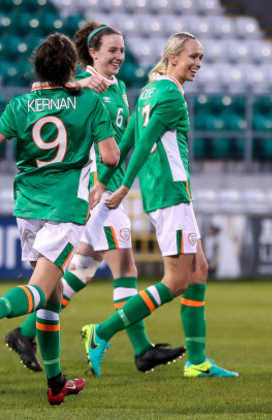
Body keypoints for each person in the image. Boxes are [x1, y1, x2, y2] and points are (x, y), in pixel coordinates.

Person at [4, 21, 186, 375]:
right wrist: (101, 184)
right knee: (125, 269)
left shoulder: (116, 87)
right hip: (95, 188)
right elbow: (44, 93)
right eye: (112, 50)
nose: (119, 56)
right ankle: (137, 348)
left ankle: (25, 332)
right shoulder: (83, 87)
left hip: (106, 185)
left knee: (83, 270)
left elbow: (124, 134)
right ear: (92, 53)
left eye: (122, 50)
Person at [0, 33, 120, 405]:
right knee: (39, 291)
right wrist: (100, 183)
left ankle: (55, 382)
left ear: (38, 68)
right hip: (65, 209)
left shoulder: (21, 104)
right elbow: (112, 156)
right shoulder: (90, 103)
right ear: (72, 68)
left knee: (50, 300)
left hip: (27, 207)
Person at [80, 32, 238, 378]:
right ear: (173, 57)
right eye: (192, 56)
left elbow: (126, 140)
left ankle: (196, 360)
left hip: (170, 195)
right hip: (170, 195)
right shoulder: (170, 97)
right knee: (176, 281)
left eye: (201, 58)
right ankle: (101, 332)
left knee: (199, 271)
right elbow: (143, 143)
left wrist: (104, 181)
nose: (197, 63)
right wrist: (121, 187)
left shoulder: (149, 91)